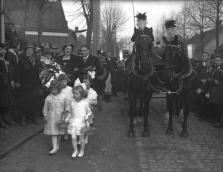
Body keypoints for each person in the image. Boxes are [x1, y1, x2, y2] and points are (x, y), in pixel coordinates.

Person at [15, 43, 41, 127]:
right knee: (24, 102)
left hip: (34, 84)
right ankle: (23, 119)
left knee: (34, 101)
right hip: (25, 84)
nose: (29, 52)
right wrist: (17, 82)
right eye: (27, 50)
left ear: (33, 52)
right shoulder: (22, 60)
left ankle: (33, 118)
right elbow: (18, 72)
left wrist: (39, 83)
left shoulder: (35, 60)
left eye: (30, 50)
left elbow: (37, 73)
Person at [43, 80, 69, 155]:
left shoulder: (63, 97)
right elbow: (45, 107)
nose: (53, 91)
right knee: (53, 133)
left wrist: (66, 110)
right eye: (51, 89)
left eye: (55, 89)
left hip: (60, 116)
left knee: (59, 132)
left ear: (59, 89)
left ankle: (57, 144)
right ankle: (54, 147)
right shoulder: (48, 97)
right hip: (52, 116)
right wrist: (45, 115)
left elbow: (68, 105)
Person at [65, 85, 92, 158]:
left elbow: (89, 112)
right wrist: (68, 117)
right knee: (73, 137)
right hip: (73, 122)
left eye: (77, 93)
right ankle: (75, 150)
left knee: (81, 137)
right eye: (74, 93)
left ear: (81, 94)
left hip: (81, 123)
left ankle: (82, 150)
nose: (75, 95)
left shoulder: (84, 103)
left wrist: (87, 116)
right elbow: (70, 111)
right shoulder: (72, 102)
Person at [5, 41, 20, 124]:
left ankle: (13, 117)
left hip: (14, 77)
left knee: (14, 99)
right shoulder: (10, 54)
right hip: (12, 78)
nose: (18, 46)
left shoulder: (13, 53)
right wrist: (12, 80)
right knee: (11, 99)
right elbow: (10, 68)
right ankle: (9, 118)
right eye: (17, 45)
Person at [0, 43, 13, 129]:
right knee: (1, 103)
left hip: (5, 83)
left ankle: (5, 119)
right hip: (1, 84)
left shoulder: (4, 59)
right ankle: (1, 121)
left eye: (4, 50)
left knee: (6, 103)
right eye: (2, 49)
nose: (4, 51)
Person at [82, 74, 97, 144]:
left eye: (86, 82)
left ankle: (86, 137)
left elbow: (94, 104)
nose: (85, 83)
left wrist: (93, 104)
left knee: (88, 125)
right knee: (81, 125)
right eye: (84, 81)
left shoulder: (93, 93)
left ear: (90, 82)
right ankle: (81, 138)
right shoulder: (81, 91)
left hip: (89, 112)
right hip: (81, 112)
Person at [58, 74, 73, 140]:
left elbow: (72, 97)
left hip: (68, 107)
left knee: (67, 120)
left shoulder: (70, 89)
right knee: (61, 120)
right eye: (62, 81)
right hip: (60, 107)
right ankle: (61, 132)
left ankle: (66, 133)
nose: (63, 83)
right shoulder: (59, 89)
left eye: (65, 81)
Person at [209, 55, 223, 126]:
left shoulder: (221, 68)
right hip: (214, 90)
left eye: (218, 60)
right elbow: (212, 77)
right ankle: (215, 119)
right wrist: (214, 80)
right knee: (214, 105)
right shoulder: (214, 68)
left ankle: (219, 122)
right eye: (216, 60)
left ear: (222, 60)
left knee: (219, 106)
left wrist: (221, 71)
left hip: (220, 90)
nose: (217, 61)